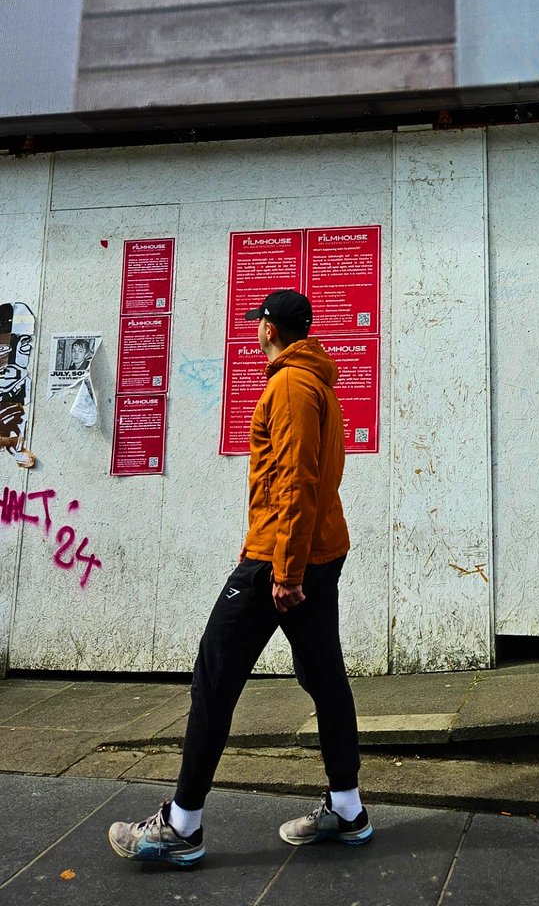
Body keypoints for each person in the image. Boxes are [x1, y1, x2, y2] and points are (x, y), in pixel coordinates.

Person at [108, 289, 370, 866]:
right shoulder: (318, 380)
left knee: (214, 676)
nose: (254, 332)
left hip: (283, 564)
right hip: (310, 550)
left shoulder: (290, 386)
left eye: (258, 324)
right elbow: (301, 478)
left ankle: (182, 826)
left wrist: (284, 570)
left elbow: (297, 482)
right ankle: (348, 810)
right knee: (325, 677)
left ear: (271, 328)